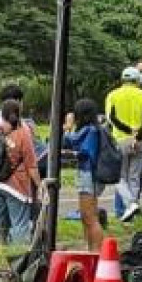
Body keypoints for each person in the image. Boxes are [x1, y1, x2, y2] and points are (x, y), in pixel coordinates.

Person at [0, 99, 40, 244]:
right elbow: (31, 165)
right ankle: (18, 260)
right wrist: (40, 185)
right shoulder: (23, 132)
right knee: (19, 225)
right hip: (15, 186)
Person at [105, 66, 142, 223]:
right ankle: (131, 212)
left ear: (122, 79)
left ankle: (130, 205)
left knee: (119, 177)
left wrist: (127, 131)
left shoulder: (112, 95)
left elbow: (110, 118)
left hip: (120, 140)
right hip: (139, 141)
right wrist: (139, 134)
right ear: (137, 80)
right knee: (134, 177)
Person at [62, 98, 106, 251]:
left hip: (89, 175)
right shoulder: (90, 129)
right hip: (87, 174)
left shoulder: (91, 130)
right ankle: (91, 249)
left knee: (90, 217)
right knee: (86, 217)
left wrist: (68, 128)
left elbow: (75, 144)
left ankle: (97, 251)